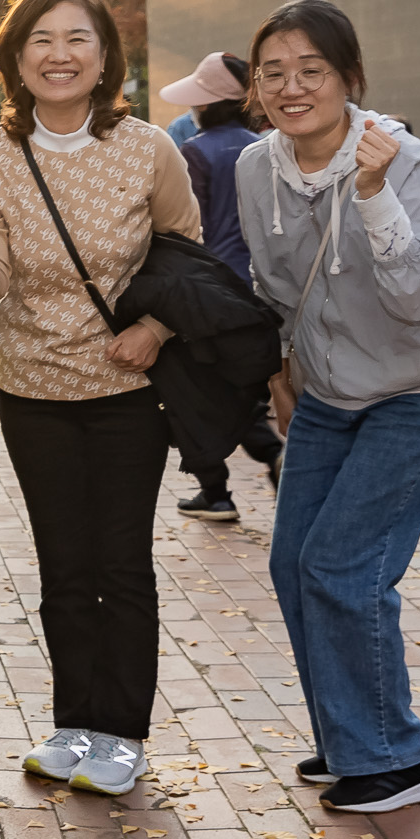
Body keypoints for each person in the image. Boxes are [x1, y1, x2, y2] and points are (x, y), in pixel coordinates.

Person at [0, 0, 199, 797]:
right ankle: (73, 721)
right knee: (62, 561)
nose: (59, 55)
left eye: (76, 39)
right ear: (17, 59)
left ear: (103, 58)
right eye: (41, 41)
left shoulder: (148, 148)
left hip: (131, 388)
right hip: (33, 390)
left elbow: (186, 251)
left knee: (120, 560)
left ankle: (122, 732)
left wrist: (155, 330)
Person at [236, 0, 420, 811]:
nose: (291, 86)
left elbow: (419, 297)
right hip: (330, 393)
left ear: (350, 78)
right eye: (274, 71)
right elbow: (273, 287)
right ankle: (353, 734)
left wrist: (372, 190)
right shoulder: (253, 167)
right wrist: (279, 372)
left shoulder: (403, 159)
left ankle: (397, 758)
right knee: (292, 561)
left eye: (312, 70)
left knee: (344, 564)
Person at [162, 51, 284, 521]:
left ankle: (218, 489)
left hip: (208, 286)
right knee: (236, 382)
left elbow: (187, 229)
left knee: (193, 389)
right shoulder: (265, 146)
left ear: (207, 104)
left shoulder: (196, 150)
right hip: (259, 283)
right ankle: (258, 460)